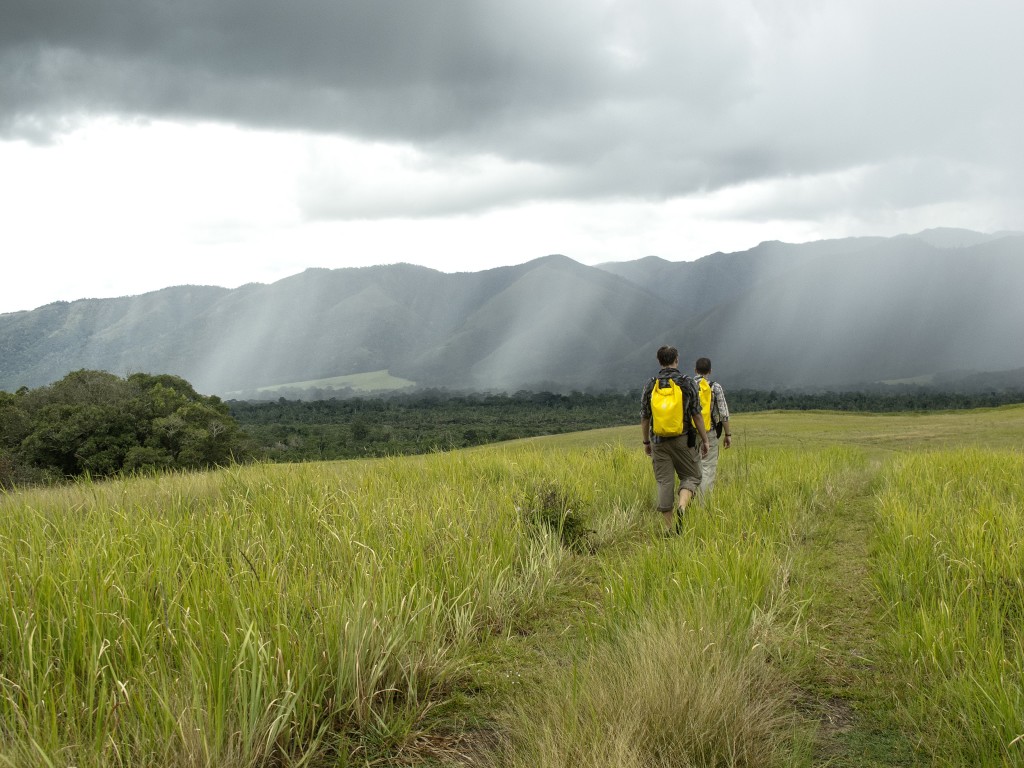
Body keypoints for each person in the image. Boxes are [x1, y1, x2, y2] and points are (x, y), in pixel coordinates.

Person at [640, 346, 710, 534]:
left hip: (658, 441)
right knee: (692, 476)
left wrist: (646, 442)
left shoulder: (650, 384)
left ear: (659, 361)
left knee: (664, 481)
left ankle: (670, 529)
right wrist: (705, 440)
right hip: (683, 439)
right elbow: (697, 415)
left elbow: (645, 416)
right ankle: (683, 506)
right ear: (676, 360)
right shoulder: (687, 382)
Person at [693, 357, 732, 496]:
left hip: (690, 434)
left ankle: (687, 501)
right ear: (710, 371)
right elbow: (723, 414)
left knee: (692, 468)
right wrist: (728, 435)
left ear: (695, 370)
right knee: (707, 468)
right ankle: (703, 506)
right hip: (709, 432)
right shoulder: (715, 387)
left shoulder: (688, 385)